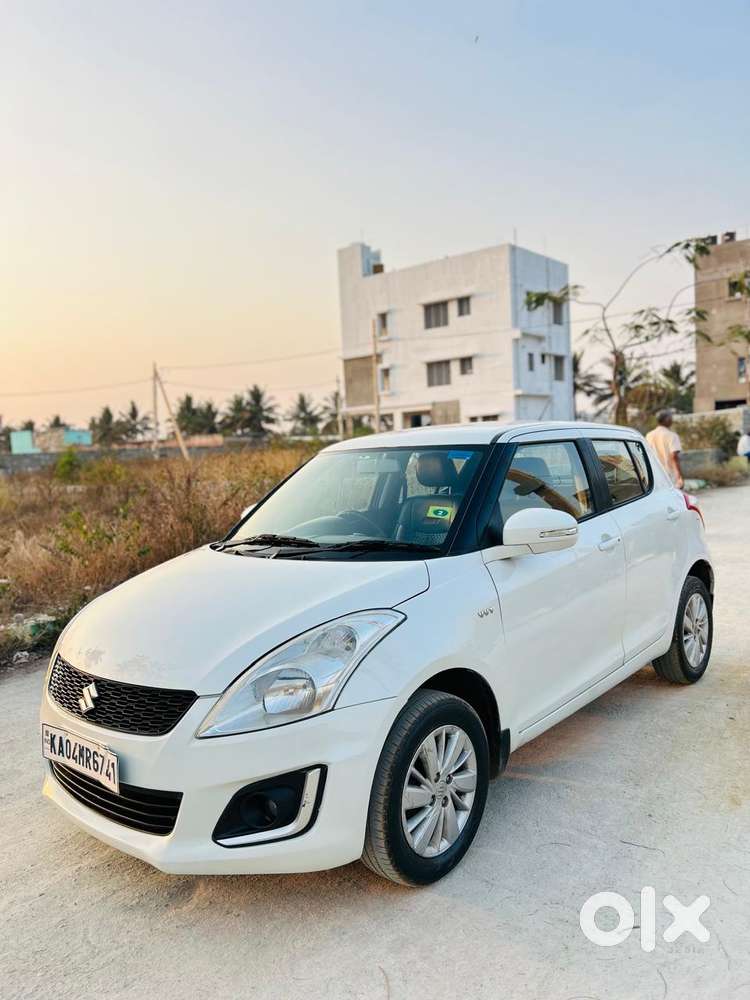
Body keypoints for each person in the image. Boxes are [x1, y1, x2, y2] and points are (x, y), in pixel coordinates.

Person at [646, 410, 684, 488]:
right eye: (670, 418)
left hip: (654, 476)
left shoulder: (649, 435)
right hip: (669, 477)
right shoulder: (672, 436)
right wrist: (679, 477)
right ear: (667, 420)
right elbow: (674, 457)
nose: (672, 420)